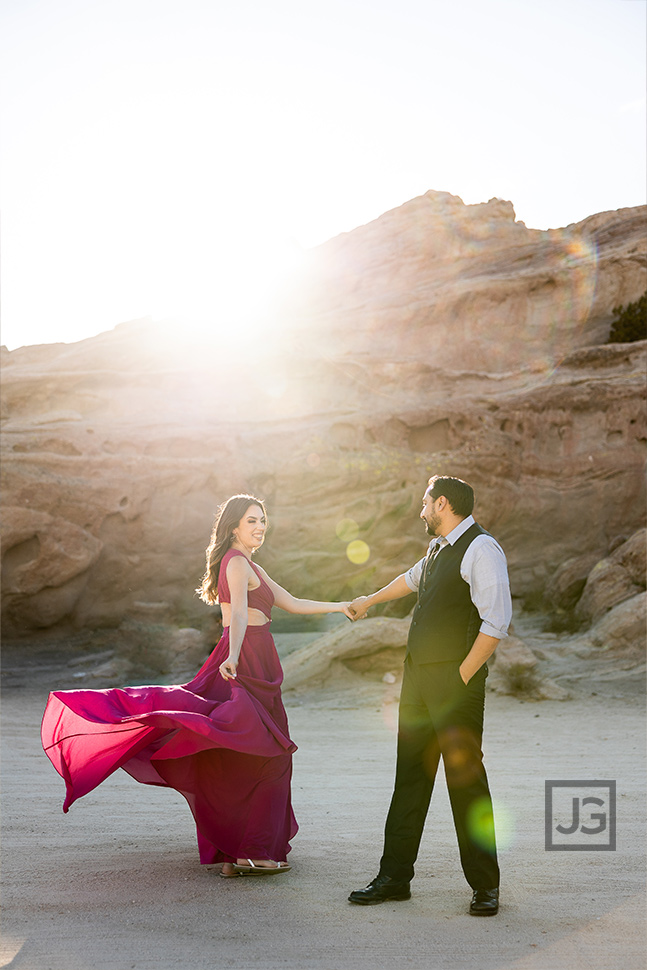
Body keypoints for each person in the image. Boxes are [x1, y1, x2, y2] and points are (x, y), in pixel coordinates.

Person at [41, 493, 352, 877]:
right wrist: (234, 657)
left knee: (242, 752)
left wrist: (341, 607)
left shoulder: (250, 564)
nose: (260, 527)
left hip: (257, 661)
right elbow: (237, 614)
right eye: (252, 520)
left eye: (263, 520)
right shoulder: (236, 562)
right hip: (244, 661)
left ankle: (234, 853)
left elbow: (290, 601)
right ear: (234, 526)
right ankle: (251, 852)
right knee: (271, 755)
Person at [347, 475, 511, 915]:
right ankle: (395, 878)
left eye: (425, 504)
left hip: (456, 686)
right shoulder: (437, 550)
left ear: (442, 504)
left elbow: (495, 623)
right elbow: (410, 580)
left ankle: (485, 886)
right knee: (410, 779)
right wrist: (369, 600)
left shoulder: (482, 549)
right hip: (417, 683)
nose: (420, 511)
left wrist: (460, 677)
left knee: (466, 784)